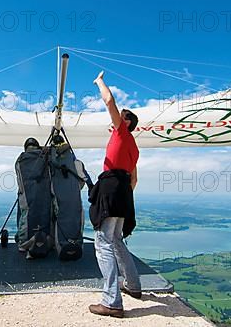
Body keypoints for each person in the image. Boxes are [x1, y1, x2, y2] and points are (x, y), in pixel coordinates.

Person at [88, 71, 142, 318]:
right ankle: (133, 285)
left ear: (127, 122)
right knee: (117, 240)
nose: (117, 115)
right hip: (124, 193)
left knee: (103, 242)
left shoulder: (121, 132)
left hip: (111, 188)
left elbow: (109, 101)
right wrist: (122, 196)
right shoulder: (133, 146)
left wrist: (99, 81)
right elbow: (134, 179)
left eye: (122, 116)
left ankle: (112, 302)